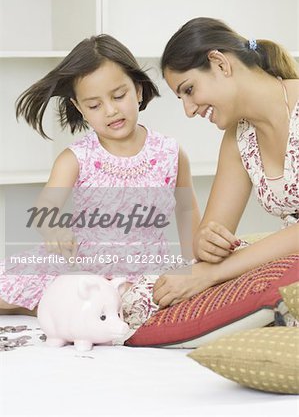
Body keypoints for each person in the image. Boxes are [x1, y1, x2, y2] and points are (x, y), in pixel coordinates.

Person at [0, 34, 200, 316]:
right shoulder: (76, 158)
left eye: (119, 96)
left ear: (139, 90)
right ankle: (40, 307)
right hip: (82, 265)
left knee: (133, 306)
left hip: (142, 270)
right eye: (94, 105)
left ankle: (64, 309)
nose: (111, 110)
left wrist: (192, 267)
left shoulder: (170, 152)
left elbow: (187, 209)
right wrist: (54, 229)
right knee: (13, 289)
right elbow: (47, 205)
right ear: (80, 108)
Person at [153, 17, 299, 309]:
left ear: (220, 63)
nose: (189, 110)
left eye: (189, 90)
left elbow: (210, 269)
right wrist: (206, 242)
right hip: (290, 263)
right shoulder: (240, 138)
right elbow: (208, 236)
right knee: (154, 294)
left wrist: (213, 273)